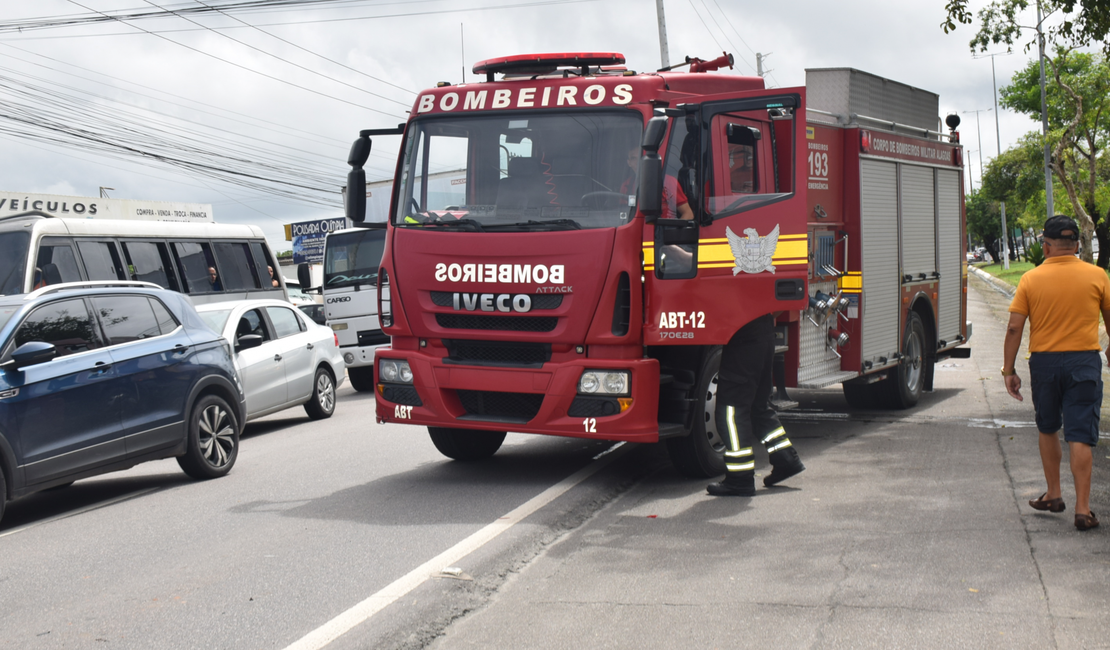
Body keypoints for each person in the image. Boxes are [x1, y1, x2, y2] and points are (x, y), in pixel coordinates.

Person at [1003, 215, 1110, 531]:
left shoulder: (1030, 279)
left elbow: (1013, 328)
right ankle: (1082, 509)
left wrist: (1008, 369)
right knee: (1080, 433)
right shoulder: (1097, 275)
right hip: (1084, 363)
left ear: (1046, 246)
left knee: (1048, 426)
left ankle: (1053, 493)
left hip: (1045, 363)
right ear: (1077, 245)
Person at [707, 313, 806, 496]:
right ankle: (785, 458)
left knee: (731, 412)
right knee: (757, 407)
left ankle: (740, 479)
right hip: (762, 332)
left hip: (743, 335)